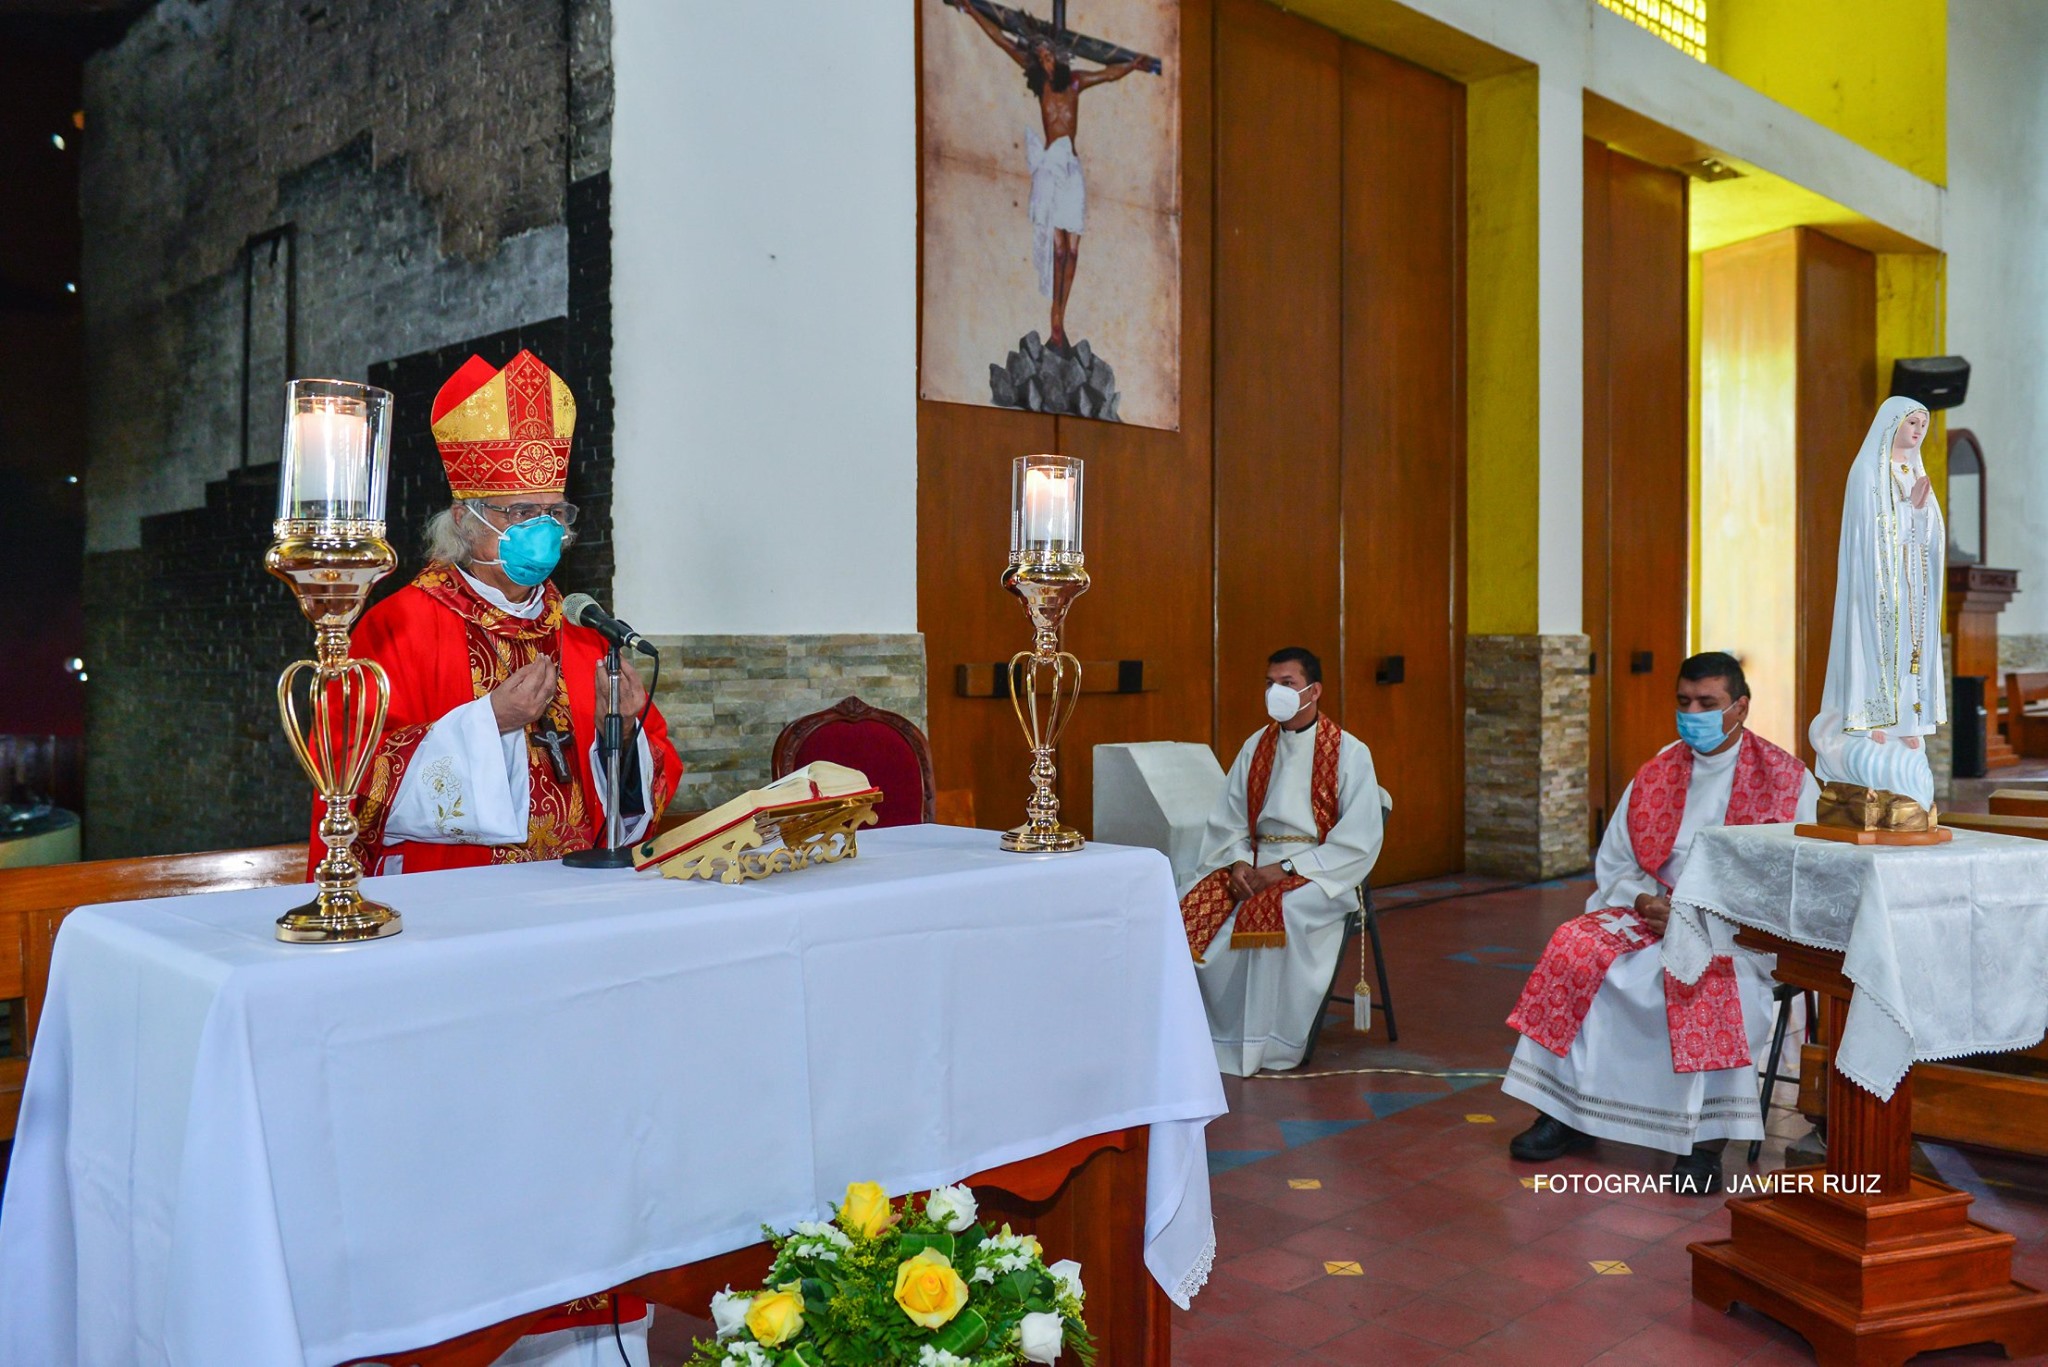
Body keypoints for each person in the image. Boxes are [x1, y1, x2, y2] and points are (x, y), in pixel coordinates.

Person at [312, 350, 683, 1364]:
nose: (540, 529)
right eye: (518, 509)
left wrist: (622, 731)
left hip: (578, 952)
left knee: (580, 1145)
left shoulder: (584, 632)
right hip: (456, 946)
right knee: (471, 1153)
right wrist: (486, 726)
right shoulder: (399, 622)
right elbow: (354, 787)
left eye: (552, 509)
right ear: (466, 517)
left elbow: (636, 802)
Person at [1502, 653, 1817, 1195]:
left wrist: (1700, 914)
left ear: (1740, 707)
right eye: (1684, 702)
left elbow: (1797, 878)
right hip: (1652, 911)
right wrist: (1644, 898)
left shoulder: (1788, 780)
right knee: (1575, 947)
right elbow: (1615, 862)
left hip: (1737, 926)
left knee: (1711, 980)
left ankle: (1704, 1142)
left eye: (1707, 703)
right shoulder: (1657, 773)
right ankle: (1565, 1110)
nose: (1692, 714)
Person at [1180, 647, 1386, 1077]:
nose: (1276, 692)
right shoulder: (1256, 746)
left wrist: (1287, 869)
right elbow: (1229, 819)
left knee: (1274, 911)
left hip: (1319, 867)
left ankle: (1268, 1043)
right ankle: (1206, 1036)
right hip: (1254, 859)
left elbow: (1358, 840)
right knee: (1191, 902)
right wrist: (1238, 863)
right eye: (1270, 683)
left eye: (1287, 683)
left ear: (1314, 691)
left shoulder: (1349, 752)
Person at [951, 1, 1146, 348]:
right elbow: (1001, 40)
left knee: (1073, 250)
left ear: (1058, 55)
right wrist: (972, 9)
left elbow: (1107, 74)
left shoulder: (1075, 82)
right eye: (1040, 57)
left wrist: (1131, 65)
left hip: (1070, 166)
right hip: (1049, 166)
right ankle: (1054, 317)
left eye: (1048, 55)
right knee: (1058, 250)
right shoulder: (1041, 84)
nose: (1045, 61)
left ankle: (1061, 313)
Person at [1809, 396, 1946, 811]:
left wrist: (1920, 512)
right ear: (1892, 424)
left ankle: (1907, 720)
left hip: (1910, 584)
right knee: (1875, 650)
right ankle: (1869, 720)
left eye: (1923, 424)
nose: (1918, 431)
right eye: (1911, 422)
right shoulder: (1868, 470)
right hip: (1876, 585)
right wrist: (1907, 509)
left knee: (1910, 653)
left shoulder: (1916, 470)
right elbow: (1868, 531)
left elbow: (1931, 534)